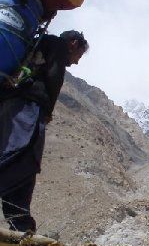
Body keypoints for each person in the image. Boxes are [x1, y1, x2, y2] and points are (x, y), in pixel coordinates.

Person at [0, 30, 89, 232]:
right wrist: (48, 111)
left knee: (13, 154)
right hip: (28, 108)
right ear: (73, 43)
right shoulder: (56, 45)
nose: (75, 62)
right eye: (79, 55)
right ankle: (21, 223)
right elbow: (54, 77)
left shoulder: (36, 45)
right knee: (24, 157)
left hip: (9, 105)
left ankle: (20, 221)